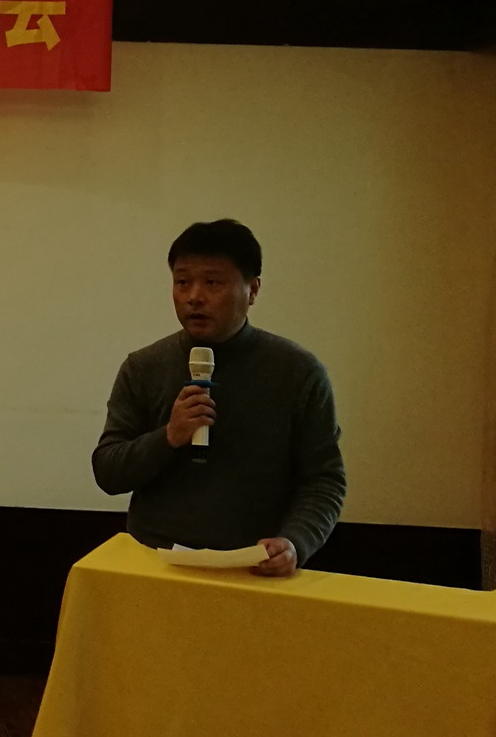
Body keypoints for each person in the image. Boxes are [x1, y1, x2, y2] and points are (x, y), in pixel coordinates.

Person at [93, 219, 346, 577]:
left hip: (253, 565)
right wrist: (169, 436)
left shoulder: (299, 373)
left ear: (252, 290)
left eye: (212, 282)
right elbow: (108, 472)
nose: (194, 296)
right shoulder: (143, 367)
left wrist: (295, 541)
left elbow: (324, 479)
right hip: (155, 564)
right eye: (182, 282)